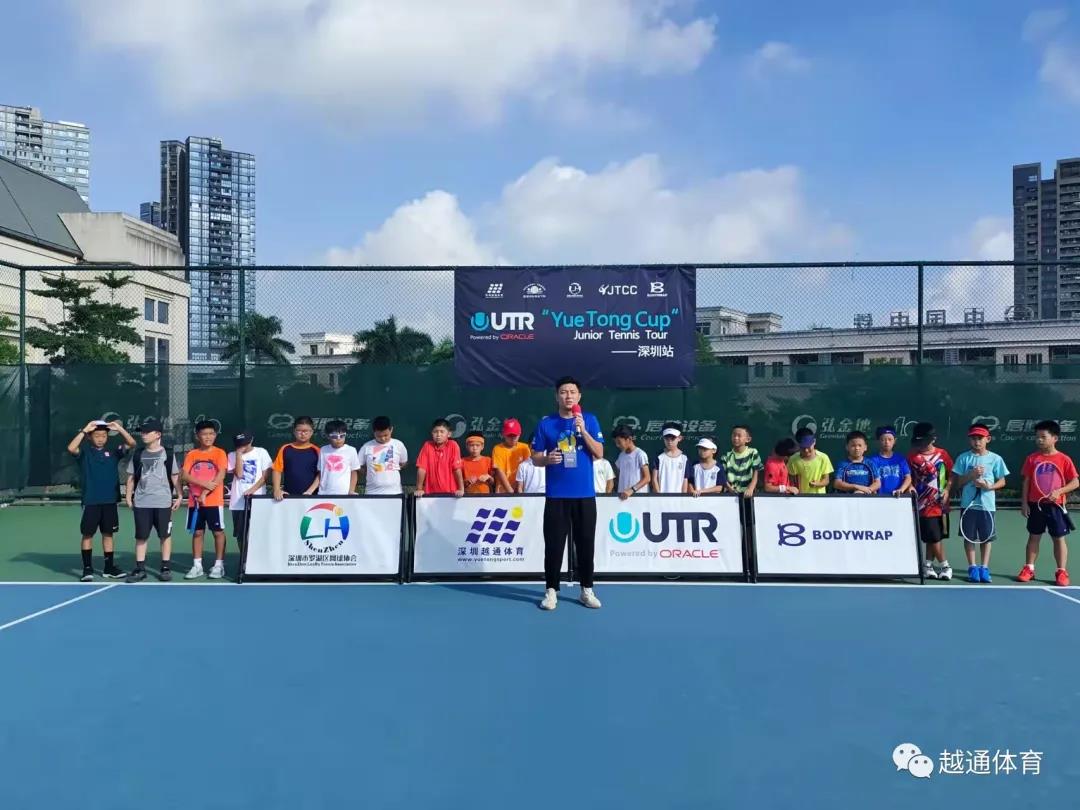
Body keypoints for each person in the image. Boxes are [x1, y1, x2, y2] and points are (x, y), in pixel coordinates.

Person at [531, 376, 605, 610]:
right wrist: (546, 459)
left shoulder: (589, 420)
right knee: (554, 546)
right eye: (563, 392)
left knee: (585, 544)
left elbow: (599, 453)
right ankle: (551, 591)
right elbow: (535, 457)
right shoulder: (546, 424)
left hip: (584, 495)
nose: (568, 396)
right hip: (556, 496)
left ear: (579, 396)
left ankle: (587, 590)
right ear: (557, 396)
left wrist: (583, 431)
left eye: (572, 392)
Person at [67, 419, 136, 581]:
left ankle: (109, 568)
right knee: (87, 535)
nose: (100, 439)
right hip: (91, 501)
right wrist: (85, 430)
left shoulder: (113, 452)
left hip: (110, 501)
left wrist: (119, 428)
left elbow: (132, 443)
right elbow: (71, 448)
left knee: (108, 534)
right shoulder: (84, 454)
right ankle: (87, 569)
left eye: (103, 436)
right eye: (97, 436)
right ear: (90, 437)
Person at [1017, 419, 1079, 586]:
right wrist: (1024, 503)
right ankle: (1029, 568)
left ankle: (1061, 571)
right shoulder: (1032, 458)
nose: (1039, 440)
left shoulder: (1064, 459)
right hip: (1035, 505)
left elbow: (1075, 482)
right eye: (1037, 437)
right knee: (1034, 536)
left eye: (1043, 437)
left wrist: (1059, 491)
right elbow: (1026, 482)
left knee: (1058, 538)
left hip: (1056, 506)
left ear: (1055, 438)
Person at [124, 418, 181, 583]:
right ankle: (140, 569)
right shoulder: (138, 454)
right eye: (142, 432)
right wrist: (128, 497)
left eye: (146, 432)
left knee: (165, 535)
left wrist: (179, 495)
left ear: (157, 434)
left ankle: (165, 567)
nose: (143, 435)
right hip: (142, 502)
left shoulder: (168, 454)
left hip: (163, 502)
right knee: (141, 536)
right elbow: (131, 478)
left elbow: (175, 476)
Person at [950, 423, 1008, 583]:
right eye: (974, 438)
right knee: (969, 537)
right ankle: (972, 567)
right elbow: (958, 483)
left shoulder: (996, 459)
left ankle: (984, 567)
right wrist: (971, 475)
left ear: (988, 439)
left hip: (987, 506)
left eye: (980, 438)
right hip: (968, 505)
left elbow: (1002, 481)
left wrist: (989, 486)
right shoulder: (963, 458)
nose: (977, 441)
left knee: (986, 538)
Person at [181, 420, 229, 580]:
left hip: (214, 501)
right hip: (194, 502)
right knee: (197, 532)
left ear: (215, 435)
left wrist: (205, 493)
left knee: (218, 532)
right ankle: (197, 566)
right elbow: (185, 475)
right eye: (204, 434)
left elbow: (220, 475)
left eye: (211, 434)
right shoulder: (192, 454)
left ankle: (219, 565)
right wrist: (202, 486)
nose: (208, 437)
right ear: (197, 436)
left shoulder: (220, 453)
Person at [907, 421, 954, 581]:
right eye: (919, 442)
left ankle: (928, 565)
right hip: (921, 505)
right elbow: (907, 477)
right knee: (932, 536)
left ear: (933, 439)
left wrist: (947, 489)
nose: (921, 445)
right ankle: (944, 566)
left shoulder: (943, 454)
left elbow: (951, 475)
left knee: (934, 536)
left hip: (940, 504)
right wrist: (910, 487)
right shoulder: (912, 456)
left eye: (924, 442)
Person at [226, 431, 272, 554]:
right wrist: (238, 454)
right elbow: (239, 474)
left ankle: (258, 557)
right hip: (238, 503)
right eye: (239, 444)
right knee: (240, 534)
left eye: (245, 444)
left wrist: (252, 490)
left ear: (251, 440)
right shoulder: (232, 455)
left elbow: (265, 476)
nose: (242, 447)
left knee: (258, 532)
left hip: (258, 500)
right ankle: (244, 559)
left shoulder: (261, 452)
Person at [271, 416, 320, 499]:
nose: (302, 434)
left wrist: (310, 491)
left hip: (312, 497)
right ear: (294, 432)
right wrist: (276, 490)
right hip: (288, 497)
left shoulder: (317, 451)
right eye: (299, 431)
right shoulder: (285, 448)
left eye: (306, 431)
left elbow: (321, 474)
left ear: (312, 432)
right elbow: (277, 470)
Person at [358, 416, 408, 495]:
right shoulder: (366, 447)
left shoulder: (398, 445)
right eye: (379, 436)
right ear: (374, 432)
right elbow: (358, 465)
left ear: (391, 429)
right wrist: (368, 472)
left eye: (386, 435)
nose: (383, 438)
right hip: (372, 492)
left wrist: (392, 467)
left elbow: (404, 463)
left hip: (395, 492)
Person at [415, 418, 465, 496]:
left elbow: (457, 468)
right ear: (432, 433)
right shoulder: (427, 445)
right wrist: (419, 489)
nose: (438, 435)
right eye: (435, 432)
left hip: (450, 493)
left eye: (442, 432)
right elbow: (421, 469)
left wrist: (461, 489)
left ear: (449, 434)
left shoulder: (453, 445)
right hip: (430, 493)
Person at [317, 420, 361, 496]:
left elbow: (354, 472)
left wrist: (351, 491)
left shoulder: (351, 450)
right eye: (334, 436)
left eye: (342, 436)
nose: (339, 439)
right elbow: (321, 473)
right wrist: (310, 491)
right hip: (324, 493)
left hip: (344, 493)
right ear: (328, 436)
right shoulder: (323, 450)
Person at [787, 428, 834, 494]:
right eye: (803, 448)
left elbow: (826, 480)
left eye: (808, 446)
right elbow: (791, 482)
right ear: (798, 445)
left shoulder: (823, 458)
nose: (806, 450)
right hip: (800, 497)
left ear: (814, 442)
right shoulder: (793, 459)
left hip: (819, 497)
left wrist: (817, 484)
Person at [869, 426, 912, 497]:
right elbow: (871, 480)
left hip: (898, 497)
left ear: (895, 441)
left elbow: (908, 477)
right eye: (883, 439)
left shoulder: (900, 459)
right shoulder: (872, 460)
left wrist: (901, 490)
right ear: (878, 441)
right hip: (880, 497)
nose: (887, 442)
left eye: (890, 439)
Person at [722, 424, 762, 498]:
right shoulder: (726, 455)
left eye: (739, 436)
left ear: (748, 439)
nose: (736, 438)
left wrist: (751, 488)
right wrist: (729, 488)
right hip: (730, 494)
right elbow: (723, 475)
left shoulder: (753, 452)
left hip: (748, 494)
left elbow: (756, 472)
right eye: (734, 435)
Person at [492, 418, 531, 494]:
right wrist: (510, 491)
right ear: (504, 434)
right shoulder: (497, 449)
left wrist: (519, 489)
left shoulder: (525, 448)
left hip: (521, 490)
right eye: (509, 435)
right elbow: (500, 471)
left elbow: (527, 470)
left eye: (515, 435)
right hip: (503, 491)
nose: (512, 438)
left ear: (519, 434)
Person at [613, 424, 650, 500]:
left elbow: (647, 478)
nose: (617, 445)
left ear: (629, 439)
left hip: (638, 498)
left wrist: (632, 490)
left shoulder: (640, 454)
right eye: (616, 442)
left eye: (619, 442)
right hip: (623, 498)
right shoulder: (621, 456)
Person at [651, 423, 690, 494]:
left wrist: (683, 497)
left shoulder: (684, 458)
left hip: (678, 499)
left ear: (679, 438)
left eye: (672, 438)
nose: (669, 442)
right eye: (667, 438)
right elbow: (654, 479)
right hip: (661, 498)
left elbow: (685, 480)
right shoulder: (659, 457)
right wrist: (659, 496)